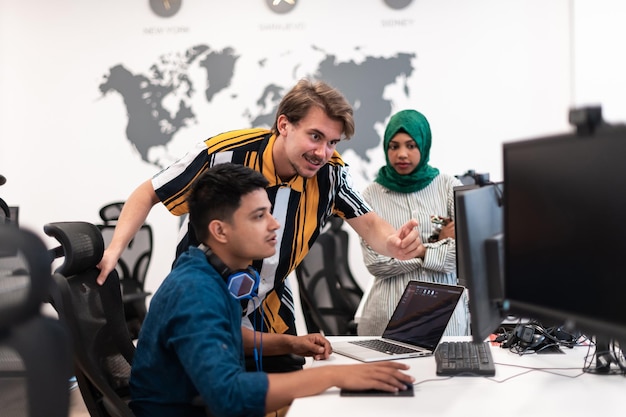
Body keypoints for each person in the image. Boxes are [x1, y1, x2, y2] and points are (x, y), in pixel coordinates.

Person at [96, 78, 425, 372]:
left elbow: (370, 225)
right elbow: (150, 192)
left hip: (269, 305)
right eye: (315, 136)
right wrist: (114, 251)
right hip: (207, 300)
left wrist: (393, 244)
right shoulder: (223, 154)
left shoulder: (331, 174)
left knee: (291, 396)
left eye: (333, 142)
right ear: (284, 125)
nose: (323, 152)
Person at [129, 163, 415, 417]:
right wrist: (335, 376)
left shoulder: (208, 270)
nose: (274, 223)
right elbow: (230, 396)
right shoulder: (195, 291)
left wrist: (290, 343)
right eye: (259, 216)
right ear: (220, 231)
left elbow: (223, 335)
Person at [357, 109, 470, 337]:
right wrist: (432, 248)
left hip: (446, 320)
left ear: (424, 145)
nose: (401, 154)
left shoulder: (449, 187)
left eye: (411, 145)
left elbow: (463, 256)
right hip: (388, 317)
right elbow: (376, 263)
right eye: (394, 146)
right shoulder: (370, 196)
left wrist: (408, 251)